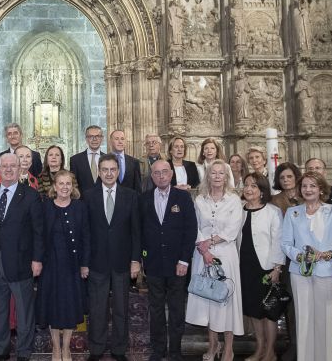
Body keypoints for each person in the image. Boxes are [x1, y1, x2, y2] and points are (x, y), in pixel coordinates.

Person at [280, 171, 332, 361]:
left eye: (312, 186)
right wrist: (301, 256)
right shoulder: (292, 212)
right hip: (300, 272)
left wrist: (329, 254)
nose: (308, 189)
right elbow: (285, 243)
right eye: (304, 186)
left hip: (329, 273)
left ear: (321, 189)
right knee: (303, 320)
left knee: (327, 321)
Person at [0, 154, 43, 361]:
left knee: (24, 311)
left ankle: (24, 352)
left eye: (13, 166)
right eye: (4, 166)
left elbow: (38, 231)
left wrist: (37, 259)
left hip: (21, 262)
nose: (8, 170)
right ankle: (1, 350)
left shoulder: (31, 195)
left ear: (20, 169)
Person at [186, 160, 244, 361]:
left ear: (226, 177)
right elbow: (195, 225)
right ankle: (213, 345)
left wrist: (210, 242)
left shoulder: (234, 200)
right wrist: (204, 248)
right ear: (208, 176)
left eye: (221, 173)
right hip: (202, 254)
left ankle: (228, 347)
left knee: (225, 301)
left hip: (225, 255)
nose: (217, 176)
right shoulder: (200, 199)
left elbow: (233, 229)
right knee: (208, 300)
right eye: (213, 173)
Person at [85, 154, 141, 361]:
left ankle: (119, 349)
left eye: (113, 170)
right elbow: (85, 232)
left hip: (122, 262)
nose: (109, 173)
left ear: (118, 172)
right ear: (99, 172)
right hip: (96, 263)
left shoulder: (131, 195)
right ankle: (96, 349)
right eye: (105, 170)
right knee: (97, 309)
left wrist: (136, 260)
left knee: (121, 309)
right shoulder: (88, 195)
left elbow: (136, 231)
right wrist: (85, 262)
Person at [140, 160, 197, 360]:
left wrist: (184, 261)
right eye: (157, 173)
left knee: (176, 310)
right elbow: (141, 232)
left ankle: (175, 351)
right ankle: (158, 350)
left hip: (177, 266)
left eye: (165, 172)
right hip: (154, 265)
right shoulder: (144, 199)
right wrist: (142, 259)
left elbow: (191, 231)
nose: (161, 176)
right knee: (155, 311)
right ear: (152, 176)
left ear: (171, 174)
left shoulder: (183, 197)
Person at [36, 170, 90, 361]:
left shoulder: (80, 207)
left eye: (68, 184)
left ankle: (66, 348)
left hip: (72, 266)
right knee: (53, 307)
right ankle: (55, 348)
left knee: (69, 307)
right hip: (50, 265)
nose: (65, 187)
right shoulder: (46, 207)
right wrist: (38, 261)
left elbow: (86, 238)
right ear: (54, 186)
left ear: (72, 186)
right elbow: (39, 236)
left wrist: (85, 264)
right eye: (61, 183)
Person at [238, 172, 285, 361]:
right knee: (253, 311)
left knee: (268, 311)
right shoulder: (240, 210)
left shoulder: (272, 211)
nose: (249, 189)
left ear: (262, 190)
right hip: (244, 266)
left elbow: (278, 241)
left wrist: (277, 268)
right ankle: (259, 349)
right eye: (247, 185)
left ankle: (270, 352)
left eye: (254, 186)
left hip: (265, 267)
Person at [70, 125, 105, 196]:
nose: (94, 139)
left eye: (97, 136)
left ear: (102, 138)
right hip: (83, 203)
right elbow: (73, 185)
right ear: (86, 139)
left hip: (103, 201)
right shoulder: (75, 160)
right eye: (91, 136)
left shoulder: (108, 159)